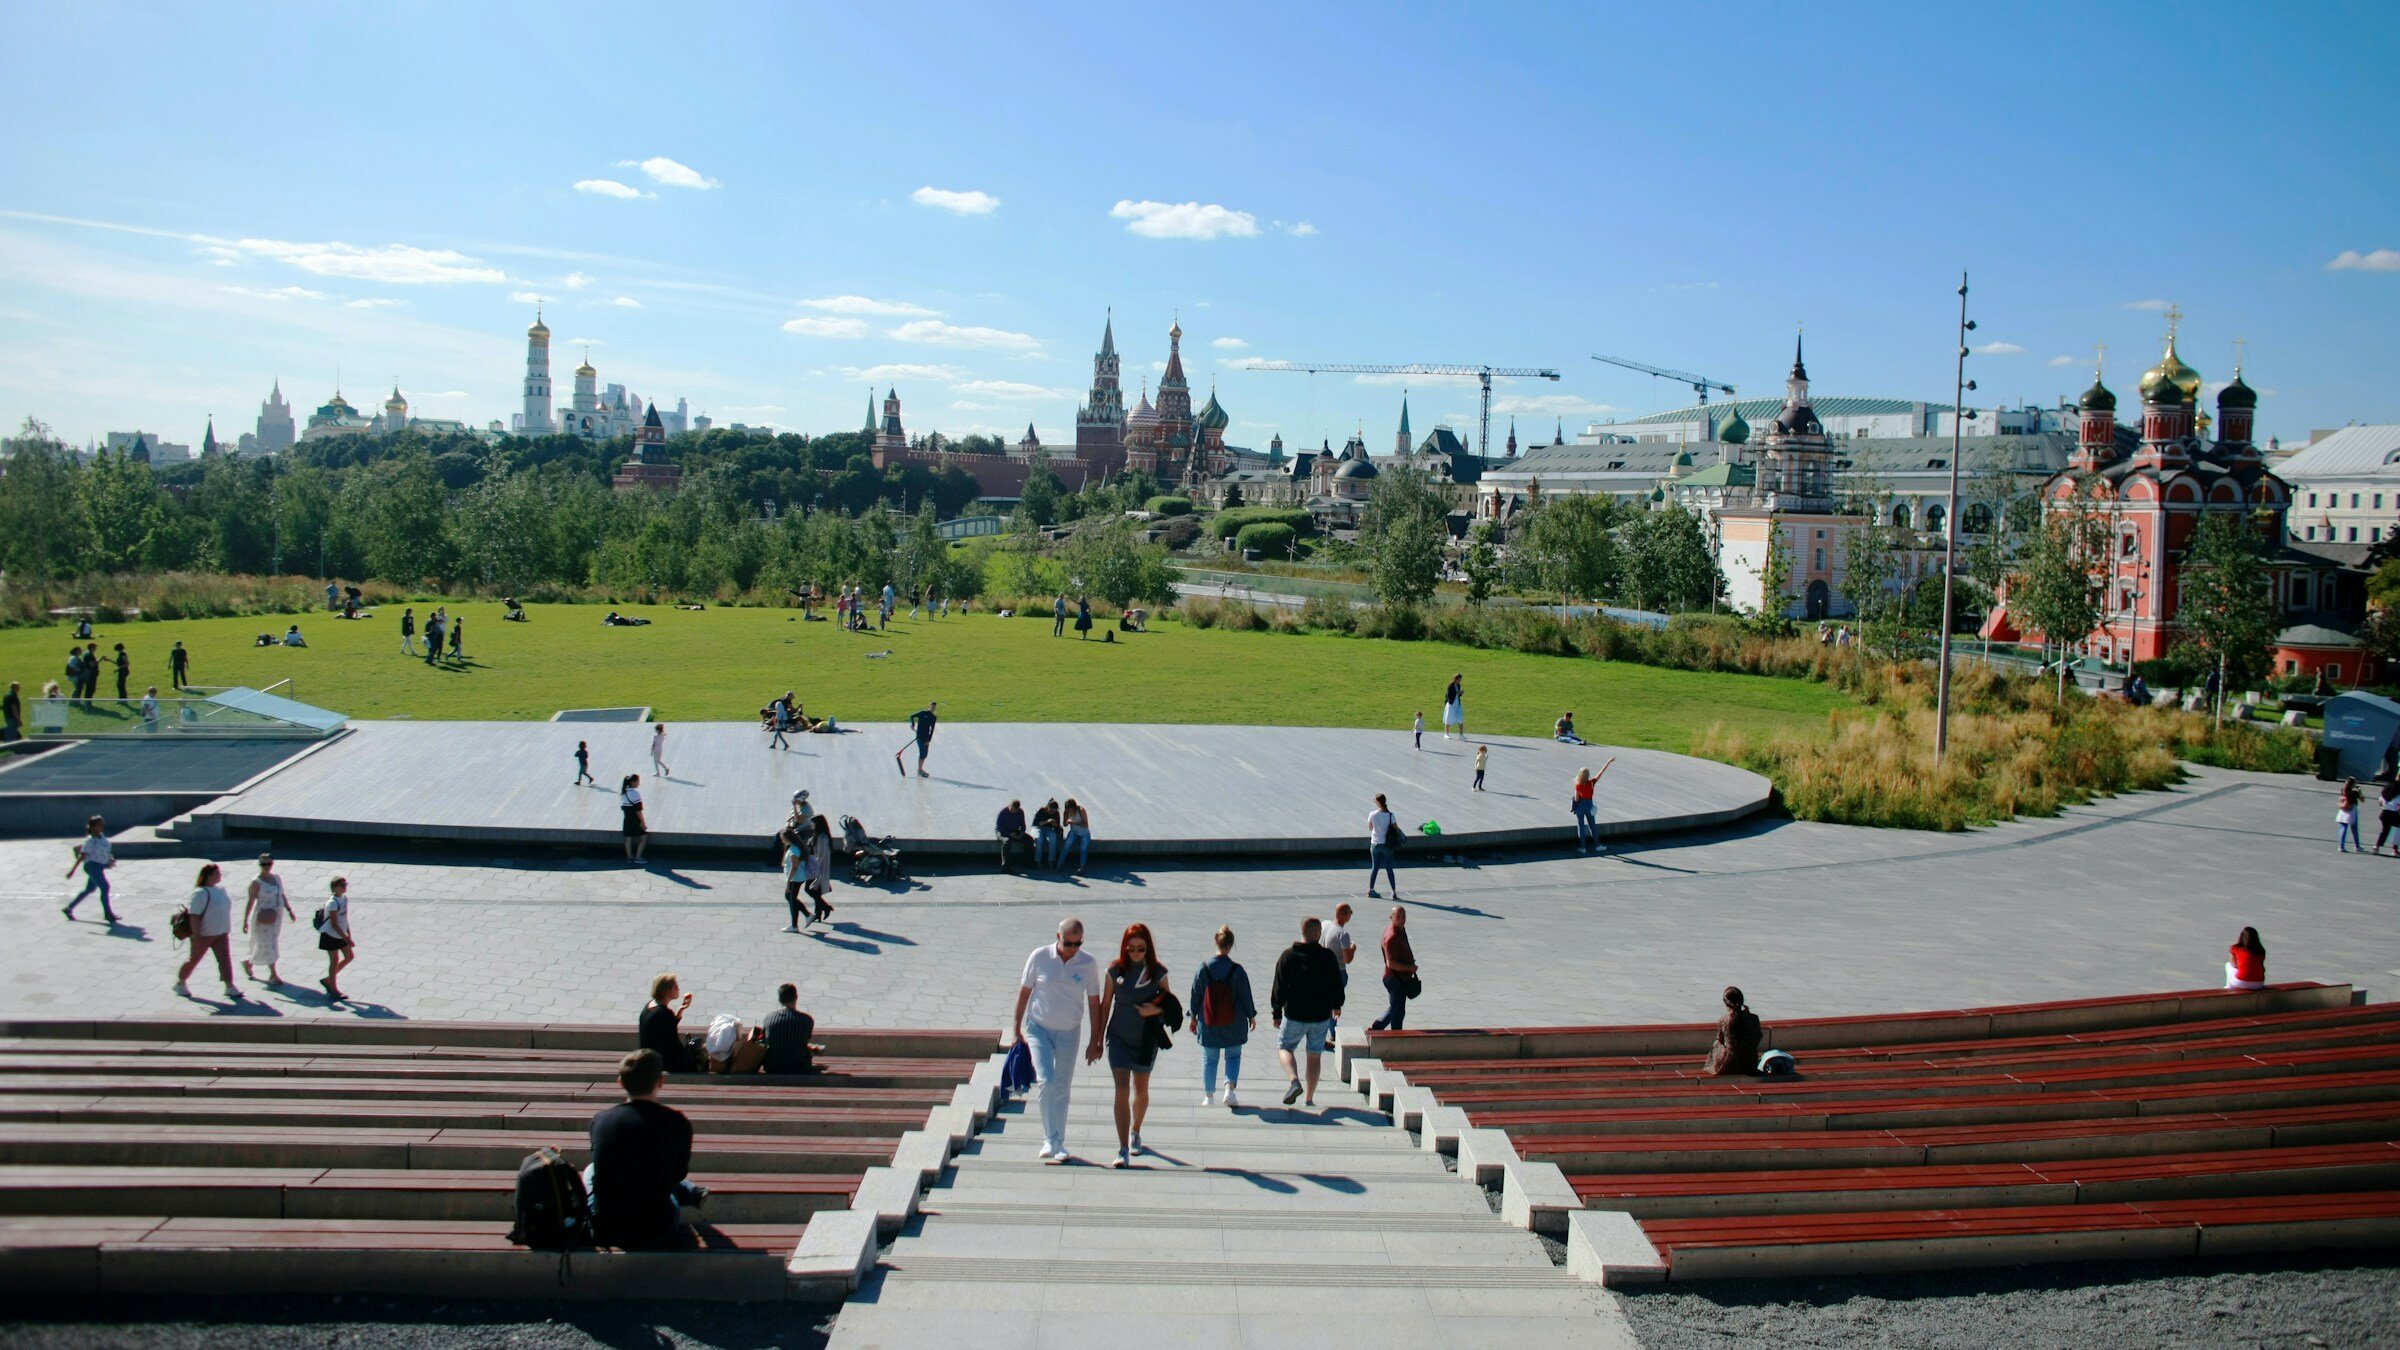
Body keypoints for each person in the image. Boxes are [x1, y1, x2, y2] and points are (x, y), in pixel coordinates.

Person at [586, 1050, 704, 1250]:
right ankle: (690, 1191)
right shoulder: (677, 1123)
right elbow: (678, 1173)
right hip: (657, 1230)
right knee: (667, 1179)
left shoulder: (601, 1120)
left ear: (621, 1082)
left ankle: (688, 1190)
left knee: (590, 1170)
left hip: (606, 1228)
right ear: (660, 1081)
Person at [1011, 919, 1104, 1163]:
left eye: (1078, 943)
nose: (1073, 948)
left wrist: (1096, 1039)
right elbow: (1024, 993)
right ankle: (1048, 1139)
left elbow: (1094, 1002)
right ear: (1058, 937)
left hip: (1069, 1031)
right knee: (1047, 1081)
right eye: (1068, 943)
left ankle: (1059, 1141)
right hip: (1038, 1027)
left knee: (1062, 1086)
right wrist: (1016, 1028)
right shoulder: (1040, 956)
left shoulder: (1088, 963)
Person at [1098, 924, 1169, 1168]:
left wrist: (1156, 1008)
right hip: (1118, 1037)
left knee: (1141, 1088)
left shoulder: (1157, 972)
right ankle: (1122, 1149)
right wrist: (1097, 1038)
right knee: (1121, 1089)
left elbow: (1170, 1003)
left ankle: (1135, 1130)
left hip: (1145, 1040)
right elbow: (1105, 1005)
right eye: (1132, 949)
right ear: (1125, 948)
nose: (1136, 953)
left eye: (1141, 949)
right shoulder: (1114, 970)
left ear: (1148, 948)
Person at [1270, 917, 1344, 1108]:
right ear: (1317, 933)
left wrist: (1276, 1012)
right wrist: (1337, 1004)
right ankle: (1309, 1099)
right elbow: (1336, 984)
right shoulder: (1327, 957)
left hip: (1295, 1014)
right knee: (1314, 1055)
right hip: (1320, 1017)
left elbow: (1279, 987)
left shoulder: (1288, 956)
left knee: (1285, 1047)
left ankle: (1294, 1081)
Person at [1189, 926, 1257, 1108]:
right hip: (1234, 1023)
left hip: (1209, 1021)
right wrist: (1251, 1015)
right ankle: (1229, 1089)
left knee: (1209, 1059)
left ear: (1216, 942)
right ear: (1231, 945)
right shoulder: (1237, 970)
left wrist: (1193, 1016)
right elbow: (1245, 995)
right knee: (1233, 1056)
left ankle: (1208, 1096)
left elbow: (1195, 994)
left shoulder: (1204, 968)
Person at [173, 863, 243, 1001]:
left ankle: (229, 986)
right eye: (218, 873)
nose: (220, 875)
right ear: (210, 875)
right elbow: (194, 915)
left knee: (224, 959)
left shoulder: (221, 890)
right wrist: (197, 935)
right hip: (204, 934)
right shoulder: (200, 893)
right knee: (194, 959)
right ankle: (180, 983)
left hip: (221, 932)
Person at [241, 853, 297, 985]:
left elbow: (282, 895)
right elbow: (250, 901)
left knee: (268, 943)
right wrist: (245, 920)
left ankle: (248, 963)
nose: (266, 867)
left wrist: (289, 910)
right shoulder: (256, 882)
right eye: (263, 864)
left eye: (269, 864)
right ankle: (273, 974)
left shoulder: (277, 878)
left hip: (276, 917)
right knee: (268, 944)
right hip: (263, 918)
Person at [1370, 906, 1418, 1031]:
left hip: (1399, 978)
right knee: (1398, 1012)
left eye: (1404, 916)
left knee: (1395, 1007)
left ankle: (1376, 1028)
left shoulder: (1400, 929)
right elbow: (1390, 963)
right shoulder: (1392, 936)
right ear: (1391, 918)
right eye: (1398, 917)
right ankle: (1396, 1036)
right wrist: (1409, 967)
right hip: (1395, 980)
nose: (1402, 919)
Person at [62, 814, 117, 924]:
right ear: (92, 827)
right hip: (92, 866)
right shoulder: (90, 841)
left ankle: (68, 909)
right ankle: (108, 914)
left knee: (89, 889)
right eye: (99, 825)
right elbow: (82, 856)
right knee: (105, 887)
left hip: (99, 866)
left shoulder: (102, 837)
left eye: (102, 824)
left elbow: (106, 850)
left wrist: (110, 859)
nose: (102, 827)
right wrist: (72, 871)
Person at [638, 972, 695, 1073]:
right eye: (675, 987)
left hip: (648, 1057)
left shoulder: (650, 1006)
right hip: (662, 1063)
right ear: (666, 991)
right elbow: (675, 1044)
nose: (678, 989)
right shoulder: (664, 1013)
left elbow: (664, 1027)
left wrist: (680, 1011)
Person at [762, 984, 822, 1074]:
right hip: (800, 1067)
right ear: (796, 998)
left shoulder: (768, 1019)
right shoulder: (807, 1020)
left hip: (772, 1067)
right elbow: (801, 1042)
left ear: (779, 1000)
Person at [1703, 986, 1763, 1076]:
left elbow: (1720, 1040)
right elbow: (1758, 1037)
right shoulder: (1754, 1018)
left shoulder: (1723, 1020)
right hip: (1749, 1064)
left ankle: (1714, 1066)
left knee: (1716, 1043)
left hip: (1729, 1065)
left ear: (1726, 1003)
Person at [317, 876, 356, 1000]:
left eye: (345, 884)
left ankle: (328, 979)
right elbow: (334, 923)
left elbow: (344, 919)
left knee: (349, 956)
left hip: (341, 935)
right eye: (342, 885)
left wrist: (349, 935)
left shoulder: (344, 899)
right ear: (334, 888)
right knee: (334, 960)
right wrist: (346, 937)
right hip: (331, 935)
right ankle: (334, 989)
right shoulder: (332, 903)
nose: (344, 887)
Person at [1571, 759, 1615, 854]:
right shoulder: (1591, 783)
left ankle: (1582, 848)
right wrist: (1608, 762)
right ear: (1588, 775)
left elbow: (1576, 798)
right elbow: (1600, 772)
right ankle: (1597, 845)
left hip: (1580, 806)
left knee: (1581, 826)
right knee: (1592, 826)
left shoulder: (1578, 785)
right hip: (1589, 805)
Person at [1367, 793, 1399, 899]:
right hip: (1387, 845)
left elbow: (1370, 828)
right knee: (1389, 868)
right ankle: (1393, 891)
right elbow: (1396, 828)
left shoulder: (1372, 814)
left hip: (1375, 843)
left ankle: (1371, 890)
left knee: (1375, 867)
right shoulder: (1390, 815)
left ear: (1378, 802)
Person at [804, 812, 835, 924]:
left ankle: (825, 908)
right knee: (816, 892)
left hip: (817, 869)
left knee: (809, 889)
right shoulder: (818, 836)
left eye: (813, 824)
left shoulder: (822, 838)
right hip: (816, 868)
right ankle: (819, 913)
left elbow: (820, 856)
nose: (812, 826)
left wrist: (815, 869)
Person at [780, 823, 811, 932]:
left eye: (783, 839)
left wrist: (789, 881)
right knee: (790, 897)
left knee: (791, 898)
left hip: (795, 878)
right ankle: (807, 915)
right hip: (797, 877)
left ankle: (795, 925)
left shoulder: (794, 850)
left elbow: (794, 867)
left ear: (788, 838)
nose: (782, 841)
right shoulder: (794, 847)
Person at [897, 700, 938, 778]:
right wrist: (912, 724)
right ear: (929, 707)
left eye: (934, 707)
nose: (933, 708)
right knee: (922, 753)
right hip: (919, 736)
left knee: (925, 754)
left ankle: (920, 769)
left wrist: (928, 740)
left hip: (926, 738)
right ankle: (920, 770)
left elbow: (932, 730)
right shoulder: (923, 713)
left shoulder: (933, 717)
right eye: (932, 707)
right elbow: (912, 716)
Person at [621, 773, 649, 863]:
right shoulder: (635, 793)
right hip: (635, 821)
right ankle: (638, 857)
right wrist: (643, 823)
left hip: (627, 820)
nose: (639, 783)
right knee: (644, 837)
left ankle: (629, 858)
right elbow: (639, 811)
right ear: (633, 782)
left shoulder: (623, 793)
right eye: (638, 781)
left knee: (628, 838)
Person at [995, 799, 1029, 871]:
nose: (1014, 811)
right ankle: (1005, 867)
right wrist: (1009, 834)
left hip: (1015, 831)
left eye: (1016, 810)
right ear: (1010, 806)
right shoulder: (1003, 812)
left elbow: (1023, 825)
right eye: (1013, 809)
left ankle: (1027, 862)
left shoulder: (1020, 812)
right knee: (1007, 842)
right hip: (1002, 832)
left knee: (1029, 840)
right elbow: (999, 827)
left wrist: (1021, 833)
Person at [1060, 798, 1091, 874]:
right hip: (1074, 832)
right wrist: (1067, 822)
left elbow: (1086, 825)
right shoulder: (1066, 812)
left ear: (1073, 807)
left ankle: (1082, 867)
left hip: (1084, 833)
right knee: (1066, 847)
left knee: (1083, 849)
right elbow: (1064, 824)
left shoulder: (1081, 810)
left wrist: (1074, 822)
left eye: (1069, 809)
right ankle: (1059, 865)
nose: (1068, 811)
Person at [1033, 799, 1063, 870]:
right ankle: (1038, 861)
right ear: (1048, 807)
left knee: (1053, 838)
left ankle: (1051, 860)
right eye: (1051, 811)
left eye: (1054, 811)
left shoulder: (1056, 813)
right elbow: (1035, 823)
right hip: (1038, 828)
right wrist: (1047, 821)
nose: (1052, 812)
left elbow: (1058, 826)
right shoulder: (1041, 810)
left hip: (1049, 829)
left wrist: (1055, 824)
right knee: (1039, 839)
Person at [2337, 778, 2363, 853]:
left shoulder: (2343, 790)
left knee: (2343, 827)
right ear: (2353, 784)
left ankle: (2341, 846)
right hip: (2352, 810)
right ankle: (2357, 846)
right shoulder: (2355, 792)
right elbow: (2362, 799)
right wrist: (2359, 791)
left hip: (2343, 810)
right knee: (2354, 828)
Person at [2375, 780, 2400, 857]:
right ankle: (2395, 849)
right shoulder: (2398, 796)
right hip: (2394, 815)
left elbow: (2380, 803)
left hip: (2384, 814)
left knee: (2385, 831)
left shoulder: (2383, 795)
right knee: (2396, 831)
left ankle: (2377, 846)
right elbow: (2399, 808)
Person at [1442, 674, 1465, 740]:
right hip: (1451, 705)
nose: (1460, 681)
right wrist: (1457, 693)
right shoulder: (1450, 686)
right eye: (1459, 679)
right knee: (1448, 718)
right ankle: (1446, 733)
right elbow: (1449, 696)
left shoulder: (1458, 685)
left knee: (1460, 719)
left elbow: (1457, 695)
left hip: (1457, 704)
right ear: (1456, 679)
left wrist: (1460, 694)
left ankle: (1461, 734)